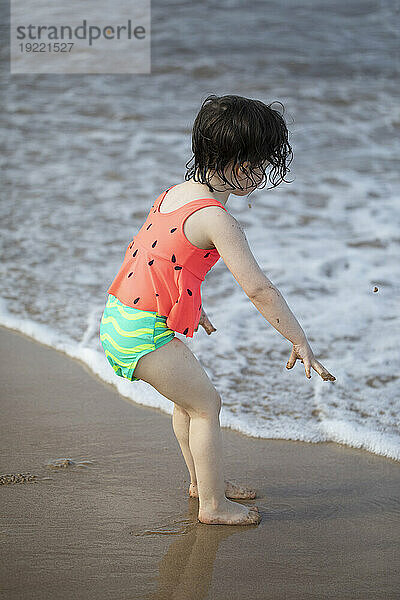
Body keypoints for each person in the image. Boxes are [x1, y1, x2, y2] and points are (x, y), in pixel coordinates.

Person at [99, 94, 336, 526]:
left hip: (119, 317)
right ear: (234, 159)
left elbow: (152, 254)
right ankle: (213, 506)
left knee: (187, 402)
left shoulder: (174, 193)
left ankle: (202, 482)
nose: (262, 172)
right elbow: (259, 289)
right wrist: (298, 337)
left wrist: (190, 302)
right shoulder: (216, 218)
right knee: (207, 405)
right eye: (257, 163)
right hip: (143, 331)